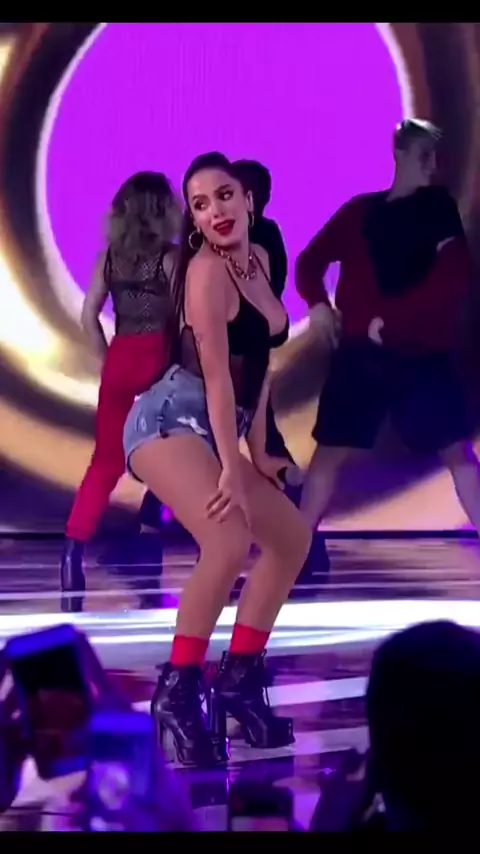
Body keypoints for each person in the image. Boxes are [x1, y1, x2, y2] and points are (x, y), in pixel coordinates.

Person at [123, 152, 311, 767]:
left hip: (221, 425)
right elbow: (217, 379)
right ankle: (177, 694)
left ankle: (239, 681)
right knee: (228, 540)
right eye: (200, 205)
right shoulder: (204, 274)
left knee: (290, 537)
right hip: (171, 420)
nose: (215, 212)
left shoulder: (259, 259)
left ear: (248, 200)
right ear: (195, 221)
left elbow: (259, 365)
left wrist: (259, 450)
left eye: (224, 195)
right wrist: (232, 463)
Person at [295, 118, 479, 536]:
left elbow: (452, 278)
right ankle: (295, 549)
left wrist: (391, 322)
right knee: (329, 453)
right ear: (401, 154)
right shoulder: (359, 211)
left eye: (437, 156)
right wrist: (318, 305)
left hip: (420, 356)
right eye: (424, 155)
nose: (432, 164)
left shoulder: (438, 210)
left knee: (457, 453)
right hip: (363, 357)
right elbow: (309, 263)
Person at [60, 172, 180, 611]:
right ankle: (153, 532)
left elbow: (88, 315)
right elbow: (184, 317)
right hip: (159, 356)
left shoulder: (108, 258)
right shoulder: (171, 258)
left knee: (105, 462)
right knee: (175, 451)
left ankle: (72, 551)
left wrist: (106, 358)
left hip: (122, 357)